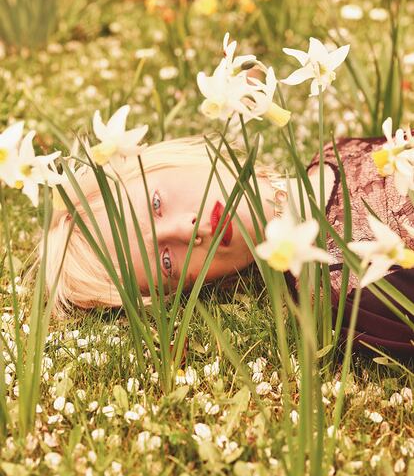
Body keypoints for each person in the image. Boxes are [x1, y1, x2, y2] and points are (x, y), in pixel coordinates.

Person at [44, 131, 414, 359]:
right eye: (167, 261)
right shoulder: (342, 289)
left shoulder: (338, 149)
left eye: (157, 204)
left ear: (167, 161)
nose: (189, 231)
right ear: (191, 289)